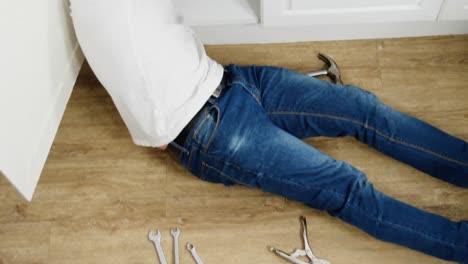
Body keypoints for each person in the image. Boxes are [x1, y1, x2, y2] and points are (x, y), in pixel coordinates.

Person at [69, 0, 467, 262]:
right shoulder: (100, 10)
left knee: (362, 109)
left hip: (235, 79)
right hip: (214, 132)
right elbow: (156, 136)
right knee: (346, 187)